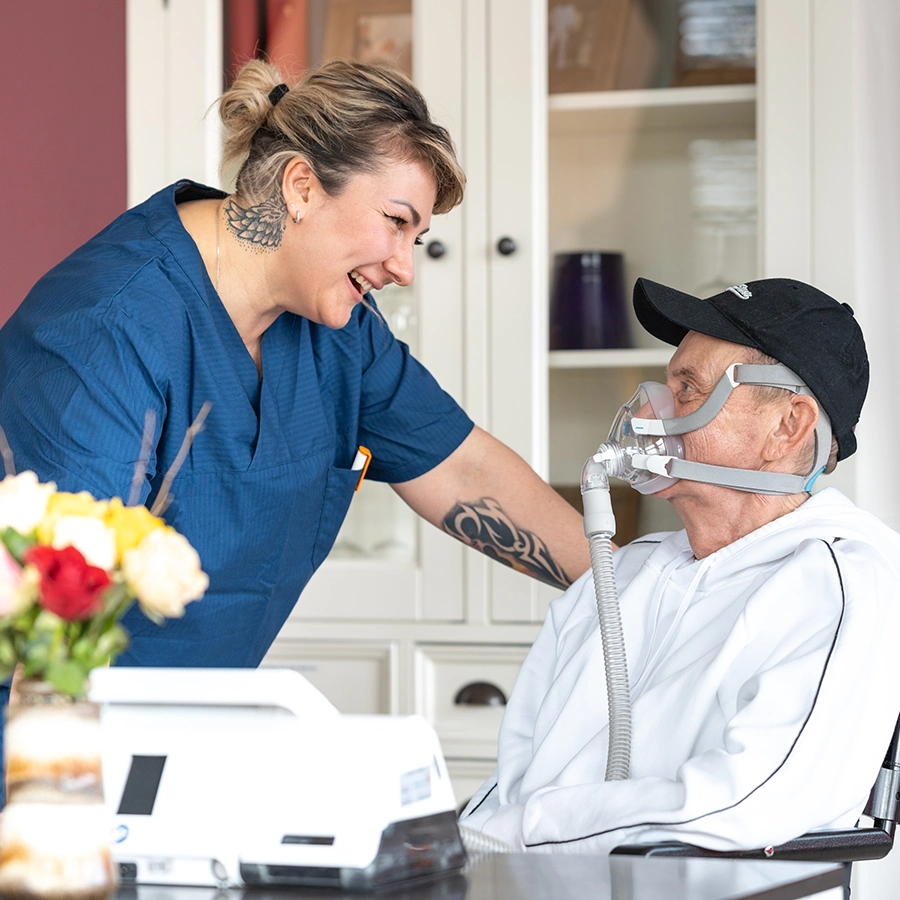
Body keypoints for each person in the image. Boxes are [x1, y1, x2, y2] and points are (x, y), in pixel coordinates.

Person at [0, 61, 588, 717]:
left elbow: (463, 469)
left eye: (418, 237)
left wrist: (636, 590)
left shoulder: (335, 330)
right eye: (396, 221)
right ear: (302, 186)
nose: (404, 267)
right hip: (51, 743)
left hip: (190, 732)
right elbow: (51, 614)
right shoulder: (108, 328)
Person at [460, 277, 900, 858]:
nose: (652, 412)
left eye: (688, 390)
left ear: (787, 426)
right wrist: (448, 848)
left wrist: (503, 839)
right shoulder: (624, 577)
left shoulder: (841, 583)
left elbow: (745, 804)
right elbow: (516, 779)